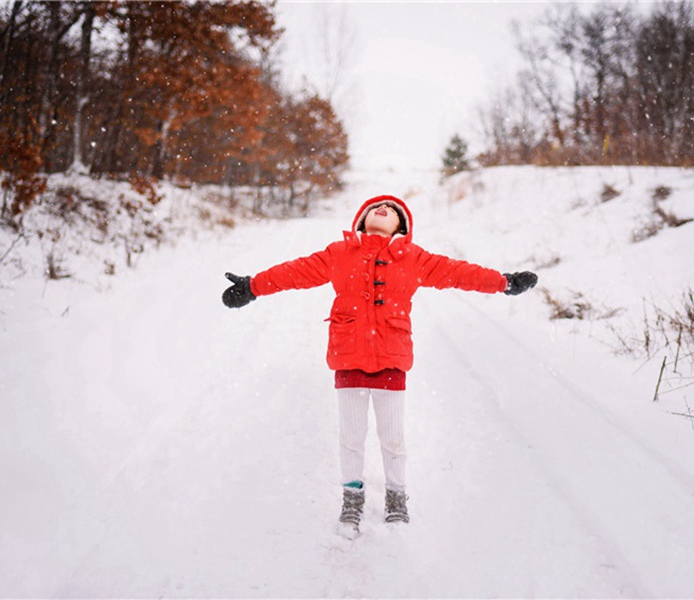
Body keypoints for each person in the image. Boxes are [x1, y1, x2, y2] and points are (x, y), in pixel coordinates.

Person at [222, 195, 537, 533]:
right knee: (351, 437)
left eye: (391, 209)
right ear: (362, 218)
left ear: (401, 226)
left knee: (393, 438)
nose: (382, 208)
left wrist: (504, 282)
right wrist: (253, 286)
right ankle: (352, 498)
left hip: (391, 358)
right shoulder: (339, 253)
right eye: (375, 207)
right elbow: (295, 272)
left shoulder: (414, 258)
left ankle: (396, 496)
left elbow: (459, 273)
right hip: (349, 357)